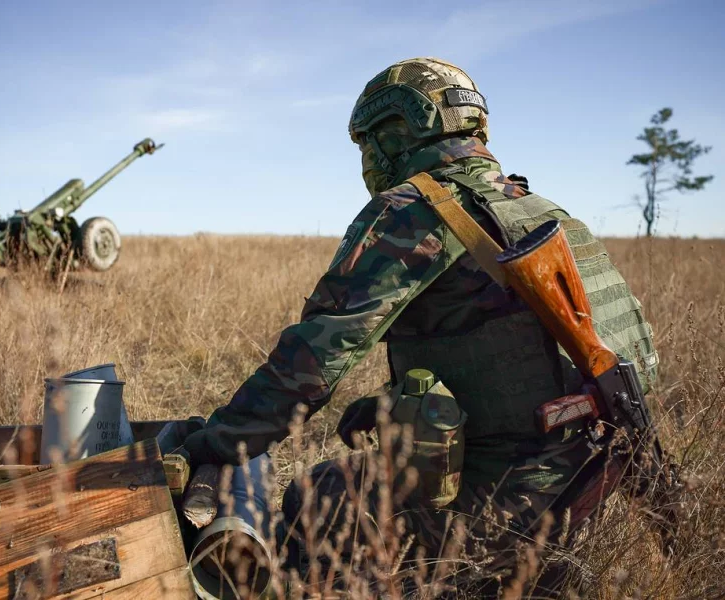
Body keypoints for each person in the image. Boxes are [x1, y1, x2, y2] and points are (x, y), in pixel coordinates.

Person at [179, 57, 658, 591]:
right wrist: (391, 405)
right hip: (589, 485)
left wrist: (215, 442)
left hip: (510, 504)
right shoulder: (545, 210)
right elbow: (529, 357)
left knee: (319, 495)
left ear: (397, 135)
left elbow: (310, 367)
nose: (365, 160)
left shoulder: (414, 208)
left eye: (366, 145)